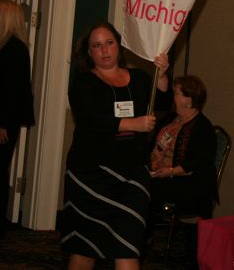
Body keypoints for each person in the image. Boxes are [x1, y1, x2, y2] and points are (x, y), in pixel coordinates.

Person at [60, 21, 171, 270]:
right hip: (90, 176)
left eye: (109, 43)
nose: (104, 50)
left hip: (131, 176)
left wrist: (162, 74)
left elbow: (163, 100)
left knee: (128, 245)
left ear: (118, 46)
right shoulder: (83, 83)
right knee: (85, 248)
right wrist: (134, 124)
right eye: (97, 46)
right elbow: (91, 120)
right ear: (89, 52)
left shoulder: (141, 78)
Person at [148, 75, 217, 267]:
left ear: (189, 99)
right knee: (137, 183)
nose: (173, 95)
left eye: (176, 93)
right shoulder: (172, 118)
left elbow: (197, 164)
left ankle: (142, 244)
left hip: (190, 184)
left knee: (145, 191)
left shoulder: (203, 128)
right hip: (163, 176)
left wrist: (168, 171)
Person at [0, 1, 35, 239]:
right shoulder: (4, 47)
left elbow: (13, 91)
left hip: (1, 123)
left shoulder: (15, 50)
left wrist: (3, 123)